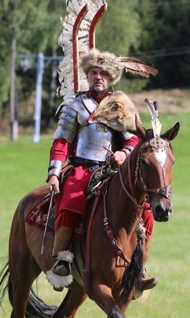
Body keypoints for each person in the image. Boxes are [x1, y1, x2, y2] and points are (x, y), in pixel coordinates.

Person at [46, 48, 157, 291]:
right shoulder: (75, 105)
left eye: (103, 73)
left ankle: (140, 266)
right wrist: (54, 172)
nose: (99, 77)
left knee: (146, 207)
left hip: (113, 170)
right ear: (88, 75)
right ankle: (63, 259)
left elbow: (133, 140)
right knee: (72, 198)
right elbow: (61, 141)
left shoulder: (120, 105)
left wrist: (124, 153)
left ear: (110, 78)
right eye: (94, 72)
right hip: (81, 168)